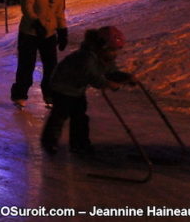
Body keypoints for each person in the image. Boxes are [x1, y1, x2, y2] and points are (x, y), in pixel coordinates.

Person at [40, 26, 136, 154]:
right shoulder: (86, 58)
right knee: (60, 115)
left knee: (80, 117)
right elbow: (92, 77)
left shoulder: (104, 57)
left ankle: (79, 144)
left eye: (116, 51)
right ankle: (49, 142)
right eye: (112, 50)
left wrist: (125, 77)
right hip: (61, 87)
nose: (114, 54)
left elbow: (110, 71)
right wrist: (108, 84)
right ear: (103, 47)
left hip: (77, 89)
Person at [10, 0, 68, 108]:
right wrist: (36, 22)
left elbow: (59, 12)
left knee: (51, 66)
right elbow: (26, 6)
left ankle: (50, 95)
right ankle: (20, 95)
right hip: (30, 32)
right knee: (26, 65)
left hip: (48, 34)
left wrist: (63, 30)